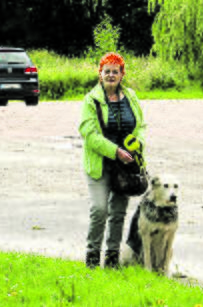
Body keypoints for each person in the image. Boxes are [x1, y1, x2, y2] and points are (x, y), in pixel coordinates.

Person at [79, 52, 147, 269]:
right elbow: (89, 135)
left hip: (125, 166)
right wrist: (116, 151)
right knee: (100, 209)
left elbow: (142, 126)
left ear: (121, 74)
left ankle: (111, 259)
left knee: (118, 212)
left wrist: (138, 143)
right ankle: (92, 257)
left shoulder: (131, 97)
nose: (110, 75)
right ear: (100, 74)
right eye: (106, 71)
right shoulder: (91, 100)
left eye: (115, 71)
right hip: (100, 164)